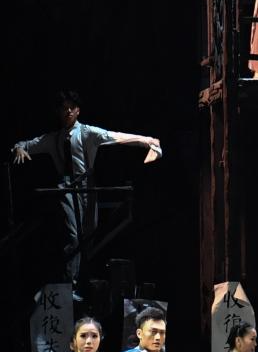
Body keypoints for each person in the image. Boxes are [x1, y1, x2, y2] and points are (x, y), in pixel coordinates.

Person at [12, 89, 161, 287]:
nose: (68, 112)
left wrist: (148, 141)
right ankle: (70, 283)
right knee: (74, 237)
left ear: (78, 111)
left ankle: (83, 281)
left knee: (89, 236)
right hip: (66, 187)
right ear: (59, 112)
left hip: (87, 186)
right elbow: (25, 144)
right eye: (64, 108)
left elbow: (115, 137)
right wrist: (19, 148)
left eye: (71, 108)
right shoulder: (54, 138)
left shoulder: (87, 132)